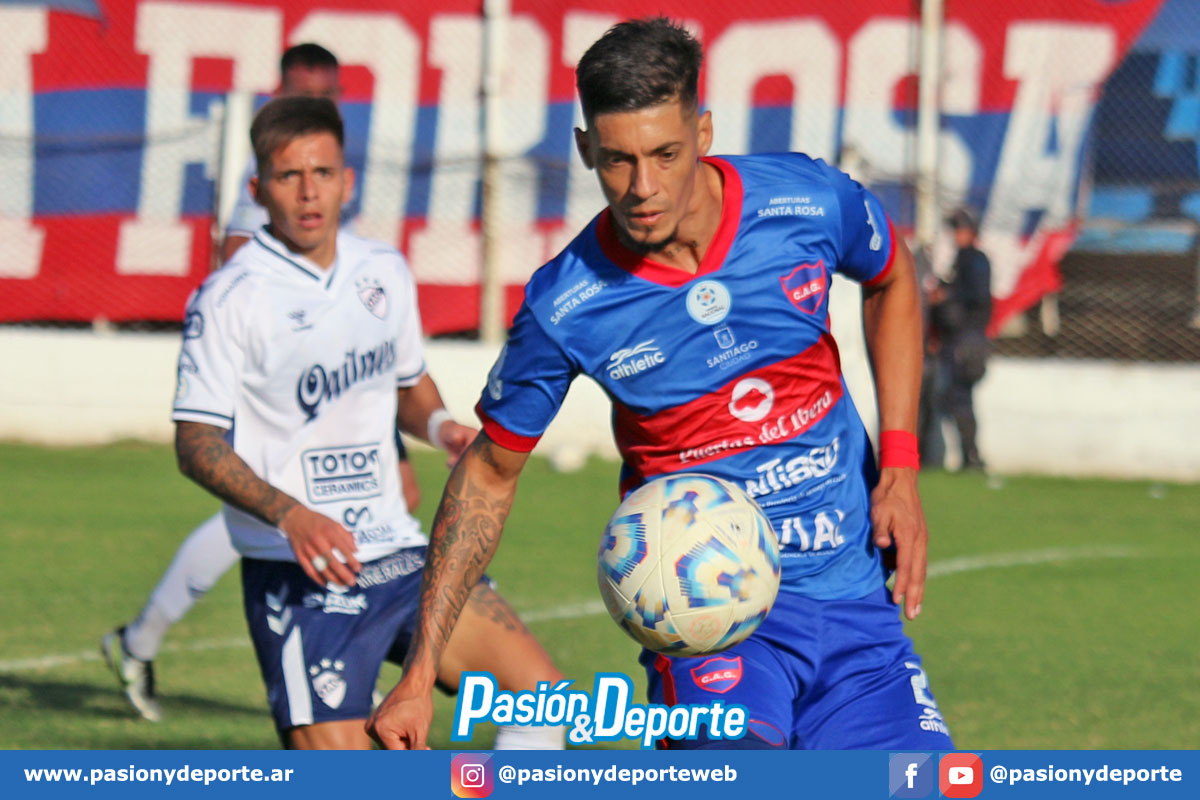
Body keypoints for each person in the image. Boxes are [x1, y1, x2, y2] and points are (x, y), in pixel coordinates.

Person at [368, 17, 954, 750]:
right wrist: (421, 671)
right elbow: (487, 473)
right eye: (618, 160)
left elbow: (893, 275)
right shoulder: (567, 304)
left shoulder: (804, 201)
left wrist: (900, 466)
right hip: (708, 625)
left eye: (665, 154)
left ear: (702, 131)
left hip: (856, 603)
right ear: (585, 148)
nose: (643, 188)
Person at [130, 96, 566, 749]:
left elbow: (406, 381)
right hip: (301, 573)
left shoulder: (382, 270)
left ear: (348, 181)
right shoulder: (229, 298)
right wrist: (290, 515)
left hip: (400, 554)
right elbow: (195, 444)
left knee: (544, 704)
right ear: (258, 189)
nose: (309, 192)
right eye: (288, 176)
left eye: (323, 173)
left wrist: (441, 426)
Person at [101, 43, 419, 723]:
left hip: (327, 418)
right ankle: (141, 642)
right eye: (303, 90)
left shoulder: (325, 188)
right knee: (254, 526)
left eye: (327, 91)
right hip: (269, 412)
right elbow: (255, 298)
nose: (316, 100)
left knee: (253, 531)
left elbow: (354, 341)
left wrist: (392, 444)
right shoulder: (267, 210)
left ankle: (138, 642)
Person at [929, 208, 992, 471]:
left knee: (960, 397)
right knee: (957, 398)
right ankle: (970, 455)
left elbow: (976, 295)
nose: (957, 235)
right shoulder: (961, 260)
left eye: (961, 229)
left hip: (967, 340)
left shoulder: (975, 260)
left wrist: (947, 295)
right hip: (958, 339)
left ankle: (972, 456)